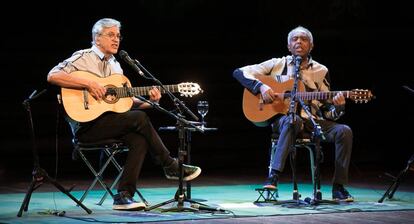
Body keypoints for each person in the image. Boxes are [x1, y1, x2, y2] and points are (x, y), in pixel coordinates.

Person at [47, 18, 202, 210]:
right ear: (97, 38)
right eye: (111, 35)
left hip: (109, 124)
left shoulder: (116, 66)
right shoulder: (84, 57)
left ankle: (123, 196)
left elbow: (125, 103)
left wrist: (151, 102)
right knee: (140, 119)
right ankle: (170, 165)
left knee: (139, 138)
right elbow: (53, 75)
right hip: (85, 127)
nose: (116, 40)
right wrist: (88, 83)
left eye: (118, 36)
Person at [233, 26, 354, 202]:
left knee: (345, 131)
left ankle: (339, 188)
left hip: (312, 121)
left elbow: (328, 111)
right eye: (294, 39)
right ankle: (273, 176)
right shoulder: (276, 64)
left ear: (311, 46)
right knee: (293, 120)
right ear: (289, 46)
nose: (299, 42)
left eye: (304, 39)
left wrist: (340, 107)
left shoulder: (321, 71)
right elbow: (239, 72)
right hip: (283, 121)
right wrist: (261, 87)